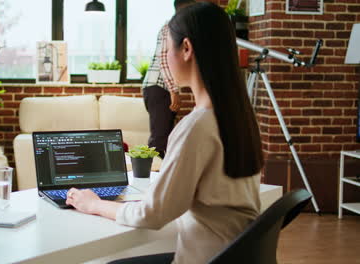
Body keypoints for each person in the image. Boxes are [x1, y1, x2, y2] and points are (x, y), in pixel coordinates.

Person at [65, 2, 264, 263]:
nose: (165, 58)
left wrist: (94, 204)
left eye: (166, 49)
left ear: (186, 49)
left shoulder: (196, 126)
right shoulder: (240, 116)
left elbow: (154, 214)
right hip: (237, 255)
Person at [142, 0, 196, 159]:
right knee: (159, 141)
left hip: (160, 87)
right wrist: (174, 90)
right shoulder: (169, 28)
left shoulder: (178, 29)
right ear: (182, 10)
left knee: (165, 138)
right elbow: (163, 60)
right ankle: (152, 180)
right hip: (158, 88)